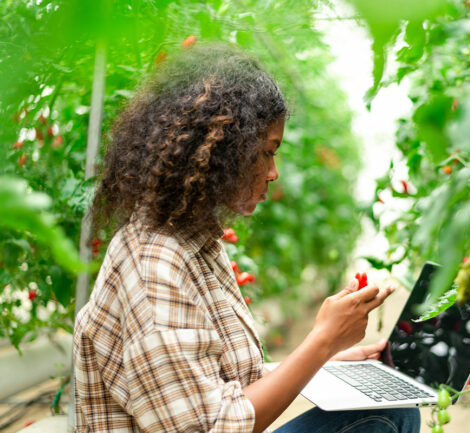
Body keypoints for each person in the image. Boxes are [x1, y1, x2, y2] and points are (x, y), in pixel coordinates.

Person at [73, 44, 420, 433]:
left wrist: (329, 358)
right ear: (221, 152)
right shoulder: (155, 262)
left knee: (393, 410)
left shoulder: (195, 243)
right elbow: (210, 427)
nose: (273, 173)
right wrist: (320, 341)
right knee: (387, 418)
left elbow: (218, 383)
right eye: (266, 153)